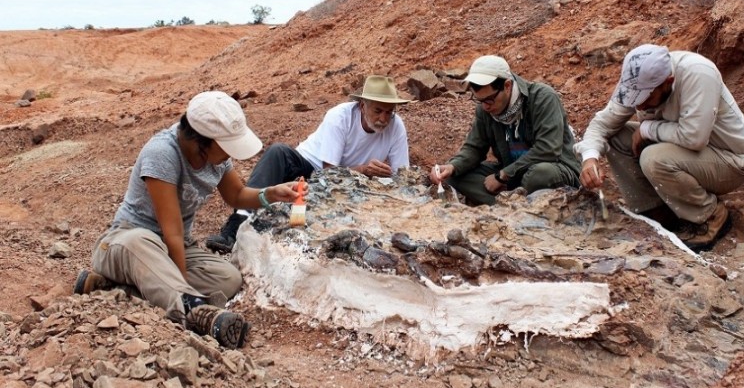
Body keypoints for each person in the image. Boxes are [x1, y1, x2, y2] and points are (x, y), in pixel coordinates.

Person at [73, 91, 306, 349]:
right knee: (140, 243)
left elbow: (237, 195)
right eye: (225, 146)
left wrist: (271, 194)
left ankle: (116, 289)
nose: (229, 154)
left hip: (176, 247)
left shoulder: (216, 159)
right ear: (202, 141)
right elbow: (170, 230)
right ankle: (194, 311)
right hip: (126, 242)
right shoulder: (162, 153)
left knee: (228, 278)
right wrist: (182, 284)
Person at [575, 44, 744, 250]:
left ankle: (710, 216)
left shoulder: (698, 73)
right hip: (684, 152)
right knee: (616, 137)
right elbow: (602, 124)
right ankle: (657, 211)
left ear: (668, 82)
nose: (639, 106)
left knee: (653, 158)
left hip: (730, 161)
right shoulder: (637, 78)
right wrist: (589, 158)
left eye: (646, 99)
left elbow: (694, 137)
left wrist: (647, 129)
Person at [205, 74, 411, 253]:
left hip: (354, 183)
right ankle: (235, 227)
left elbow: (403, 175)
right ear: (362, 105)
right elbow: (329, 171)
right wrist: (364, 170)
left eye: (389, 112)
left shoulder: (396, 126)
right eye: (378, 111)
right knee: (278, 153)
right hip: (309, 167)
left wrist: (385, 178)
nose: (384, 118)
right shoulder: (340, 117)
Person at [430, 55, 581, 205]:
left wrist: (503, 175)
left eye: (489, 100)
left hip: (553, 170)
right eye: (479, 100)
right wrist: (452, 167)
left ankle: (509, 204)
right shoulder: (485, 109)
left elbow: (548, 149)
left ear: (507, 86)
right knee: (454, 176)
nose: (485, 106)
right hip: (512, 176)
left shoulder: (543, 98)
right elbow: (475, 148)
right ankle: (513, 206)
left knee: (540, 175)